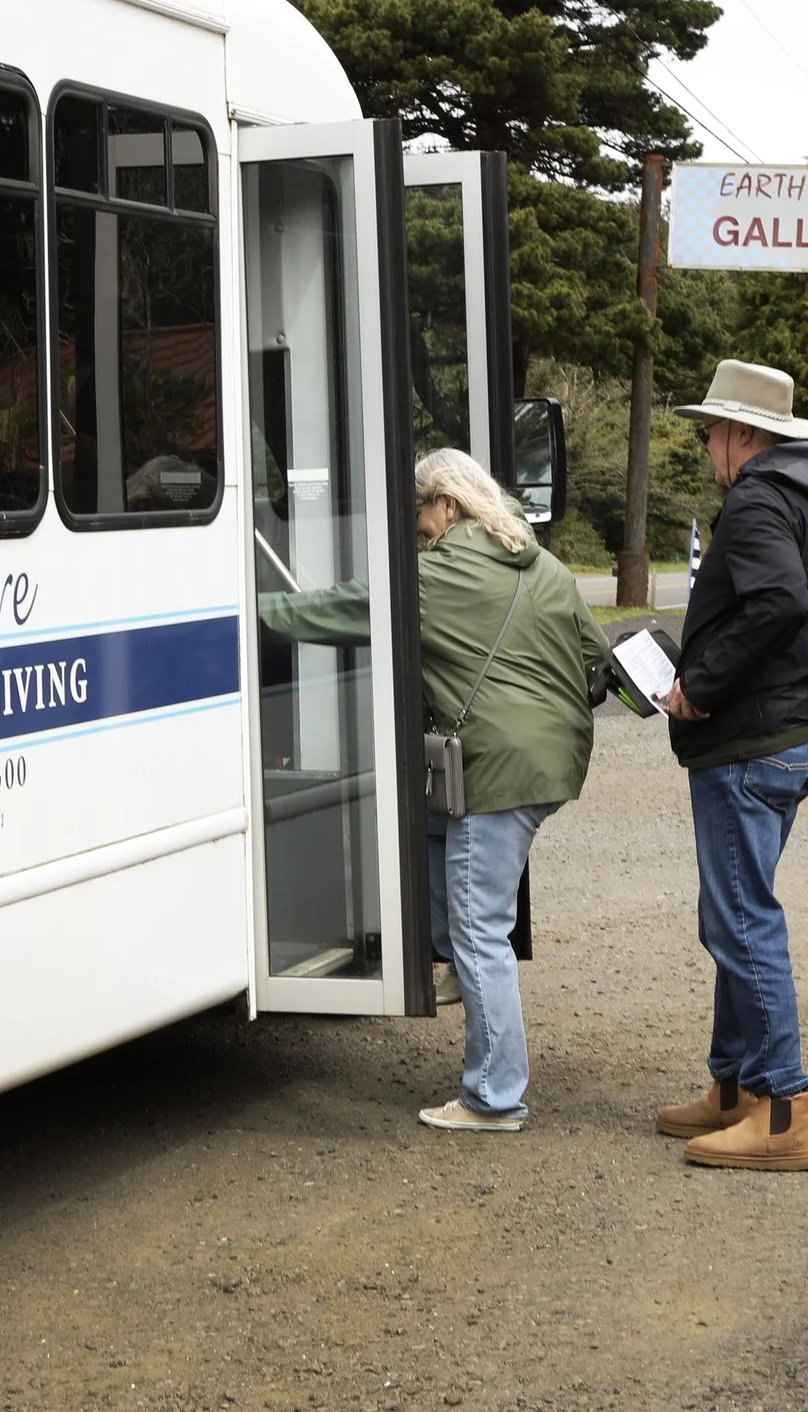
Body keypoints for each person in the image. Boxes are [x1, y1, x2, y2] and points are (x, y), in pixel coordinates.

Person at [260, 448, 607, 1132]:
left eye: (420, 514)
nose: (418, 530)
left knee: (482, 929)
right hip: (552, 760)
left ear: (447, 504)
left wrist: (250, 610)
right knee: (431, 833)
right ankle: (453, 964)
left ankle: (493, 1097)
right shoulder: (544, 566)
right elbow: (595, 655)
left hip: (498, 768)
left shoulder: (436, 575)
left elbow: (344, 608)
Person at [654, 361, 808, 1172]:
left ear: (743, 433)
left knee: (741, 918)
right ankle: (735, 1086)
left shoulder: (757, 500)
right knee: (737, 908)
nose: (705, 446)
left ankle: (783, 1113)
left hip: (750, 740)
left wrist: (700, 686)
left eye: (708, 431)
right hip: (795, 728)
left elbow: (779, 600)